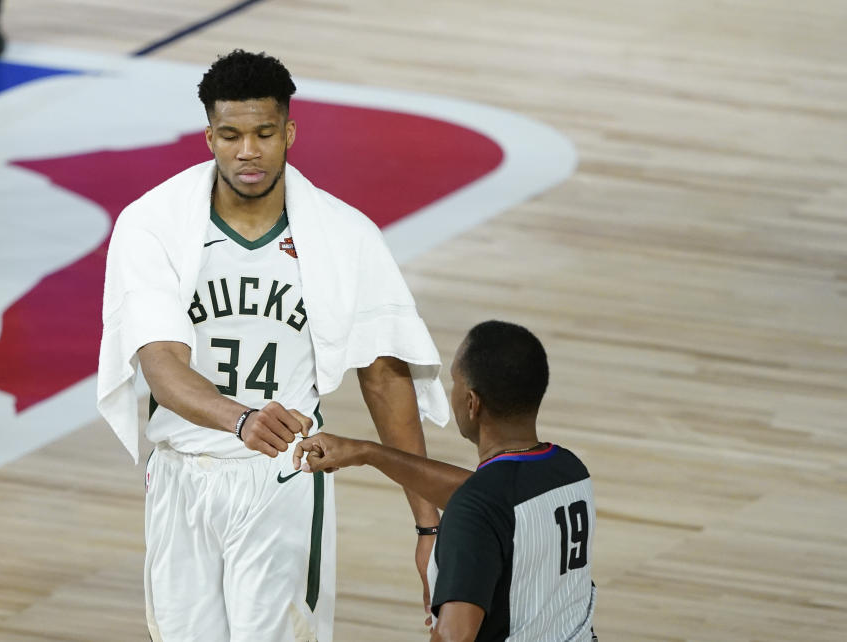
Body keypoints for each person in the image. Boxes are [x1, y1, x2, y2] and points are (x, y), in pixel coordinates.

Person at [96, 49, 448, 642]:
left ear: (289, 131)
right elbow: (161, 365)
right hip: (182, 473)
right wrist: (241, 420)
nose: (249, 152)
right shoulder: (151, 223)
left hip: (282, 477)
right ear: (209, 135)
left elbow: (383, 375)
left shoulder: (346, 235)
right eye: (231, 135)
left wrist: (428, 530)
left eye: (264, 133)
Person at [294, 320, 597, 642]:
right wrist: (369, 452)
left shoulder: (476, 510)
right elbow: (493, 500)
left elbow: (455, 636)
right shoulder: (569, 470)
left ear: (471, 403)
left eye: (454, 381)